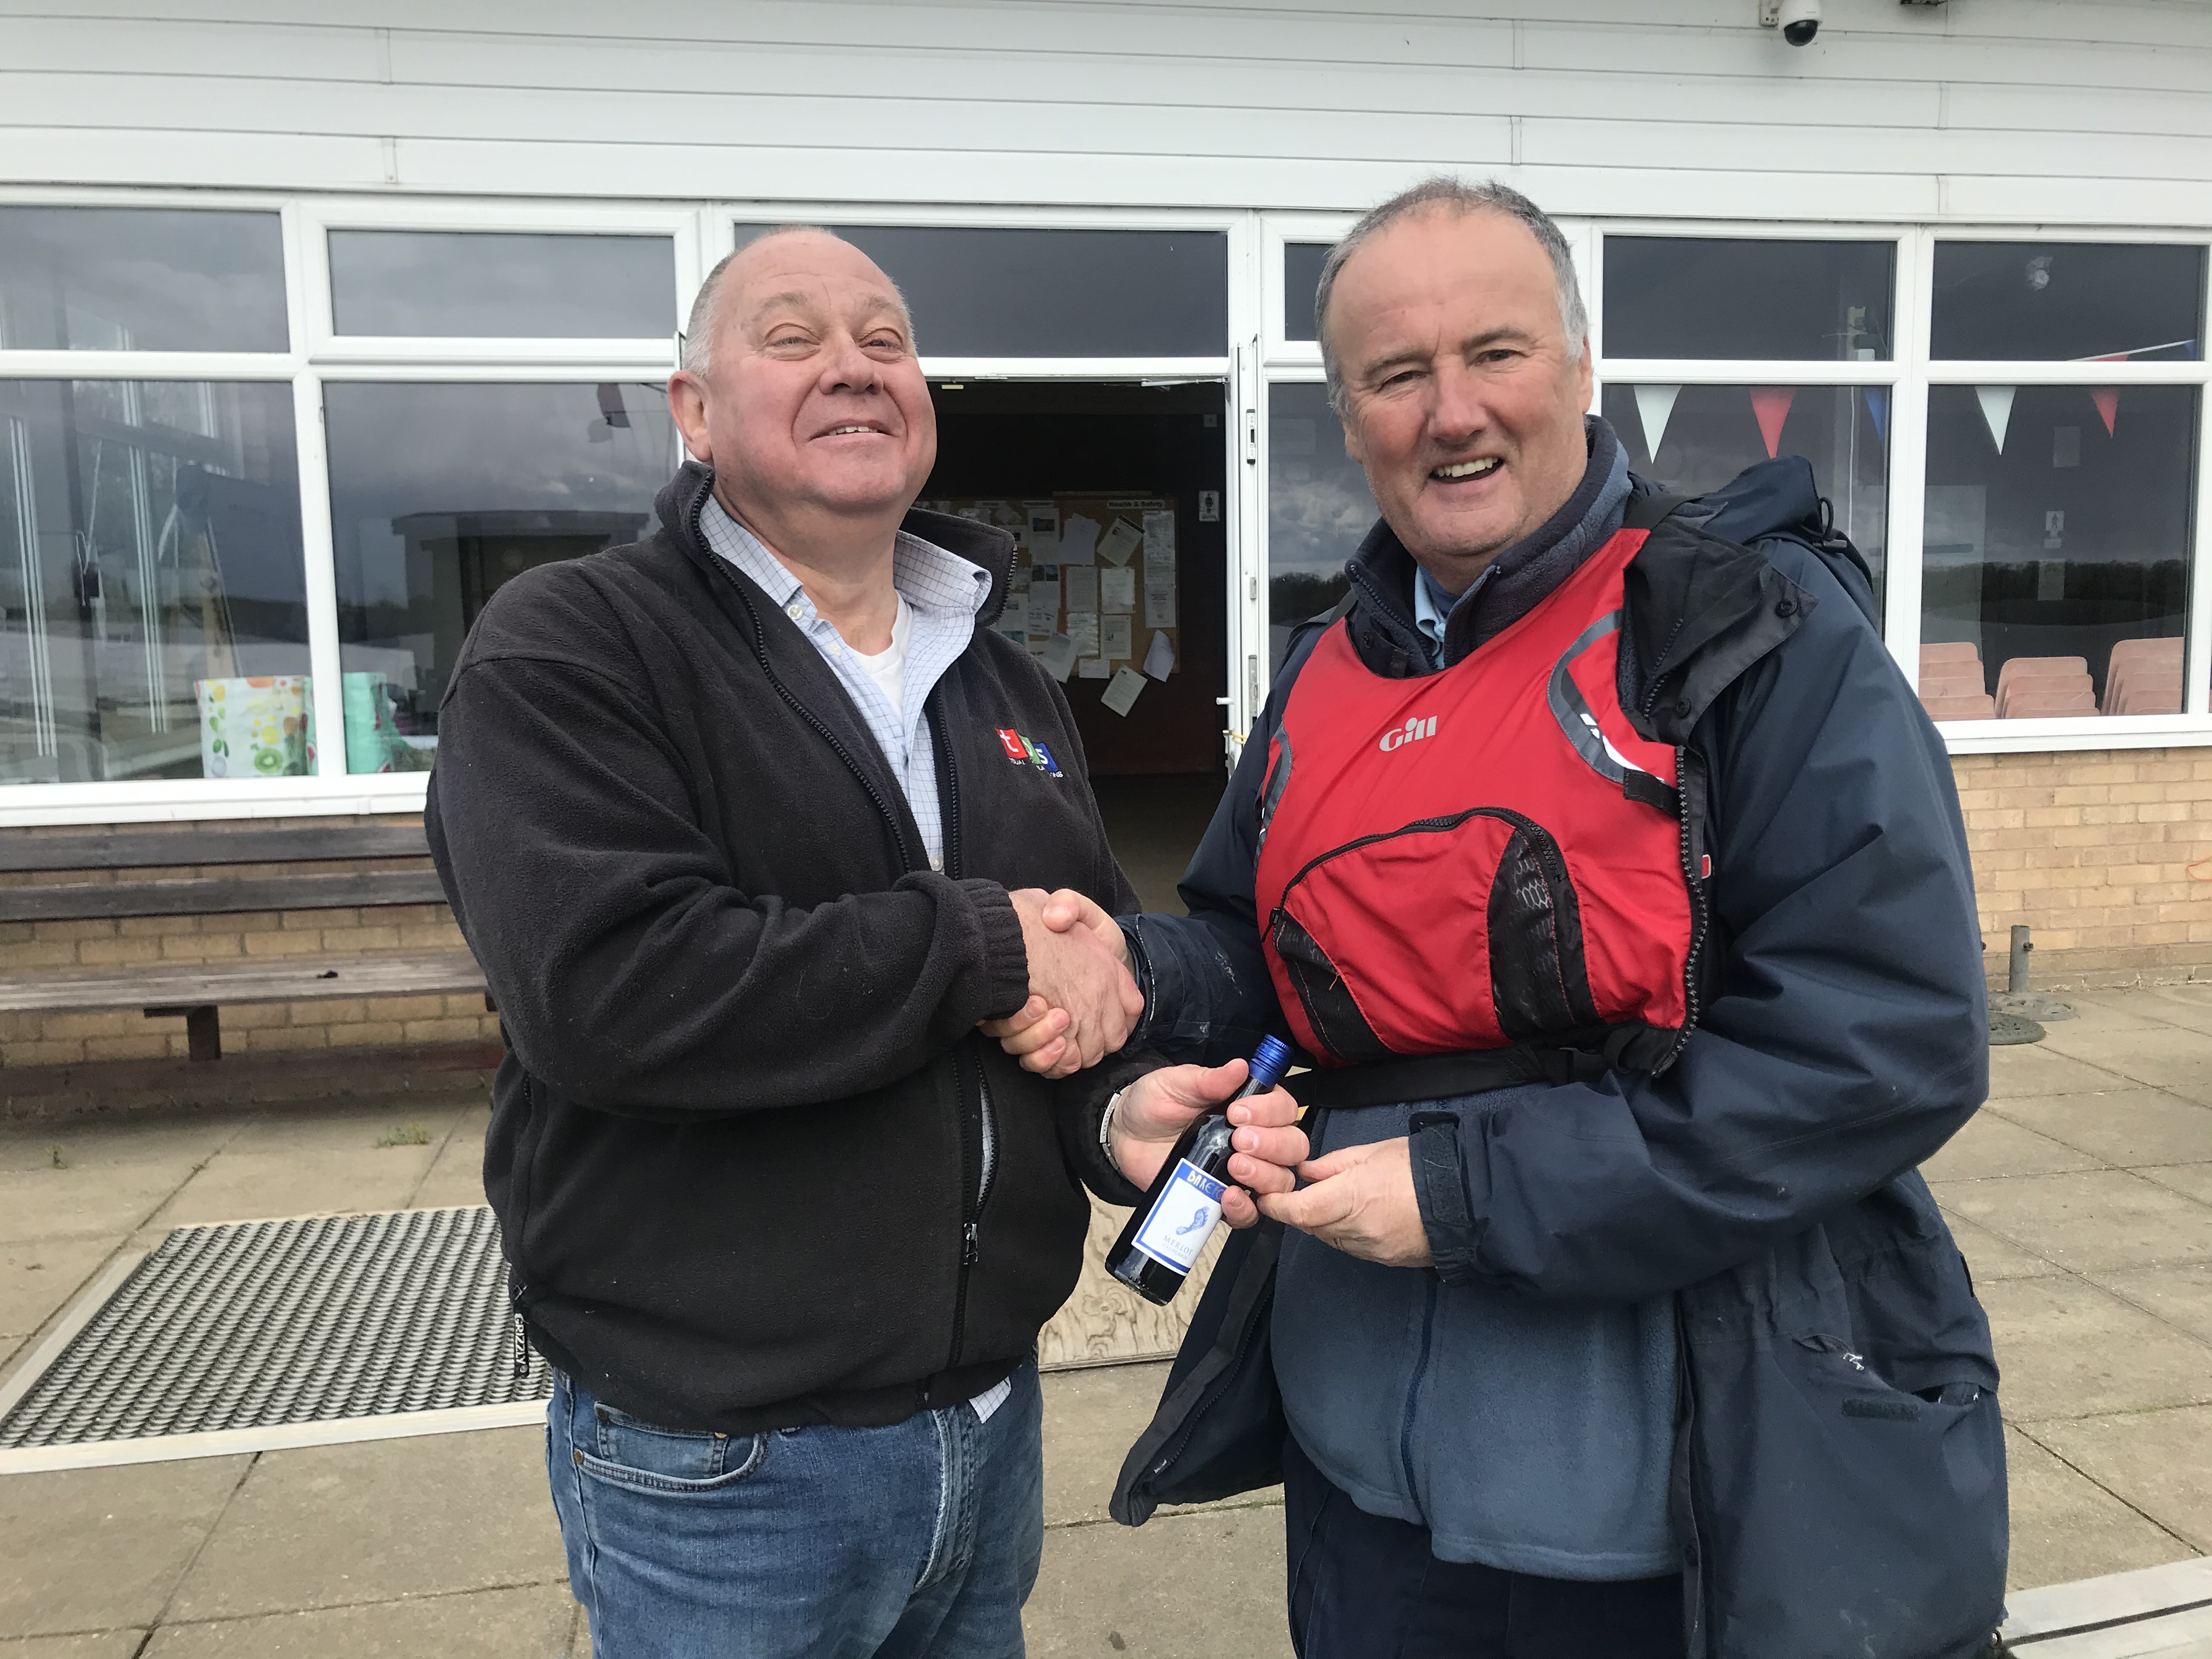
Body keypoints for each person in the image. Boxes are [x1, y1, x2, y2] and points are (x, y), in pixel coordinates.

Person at [992, 179, 2007, 1658]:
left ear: (1581, 368)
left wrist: (1474, 1193)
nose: (1451, 412)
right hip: (1361, 1489)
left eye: (1496, 353)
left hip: (1670, 1501)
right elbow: (1256, 944)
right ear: (1349, 419)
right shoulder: (1325, 669)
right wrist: (1133, 972)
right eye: (1398, 374)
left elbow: (1890, 1037)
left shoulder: (1748, 628)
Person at [424, 226, 1303, 1659]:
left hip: (989, 1422)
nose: (853, 366)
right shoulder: (575, 645)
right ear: (694, 411)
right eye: (793, 338)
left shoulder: (1003, 678)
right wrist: (985, 945)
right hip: (724, 1463)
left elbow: (1070, 991)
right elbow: (606, 990)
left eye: (885, 340)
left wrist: (1118, 1112)